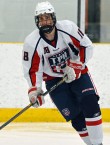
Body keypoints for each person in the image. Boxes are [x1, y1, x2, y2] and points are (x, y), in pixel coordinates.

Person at [22, 1, 103, 145]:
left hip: (78, 73)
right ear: (37, 21)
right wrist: (34, 91)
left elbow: (86, 46)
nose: (44, 21)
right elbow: (33, 70)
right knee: (76, 118)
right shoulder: (31, 42)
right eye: (41, 18)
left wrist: (77, 65)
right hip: (54, 81)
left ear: (53, 18)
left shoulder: (68, 28)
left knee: (90, 103)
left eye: (47, 17)